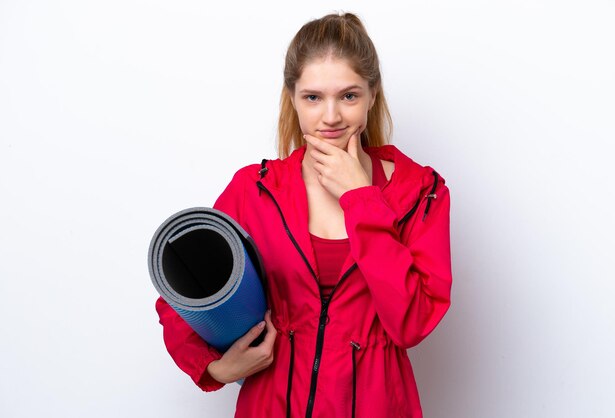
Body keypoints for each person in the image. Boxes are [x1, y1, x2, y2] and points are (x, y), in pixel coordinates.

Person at [156, 12, 452, 418]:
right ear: (292, 98)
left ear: (372, 94)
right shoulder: (255, 190)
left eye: (349, 96)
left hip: (378, 404)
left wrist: (360, 199)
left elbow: (412, 323)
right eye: (313, 97)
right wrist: (216, 368)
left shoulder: (421, 193)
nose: (331, 116)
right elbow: (181, 295)